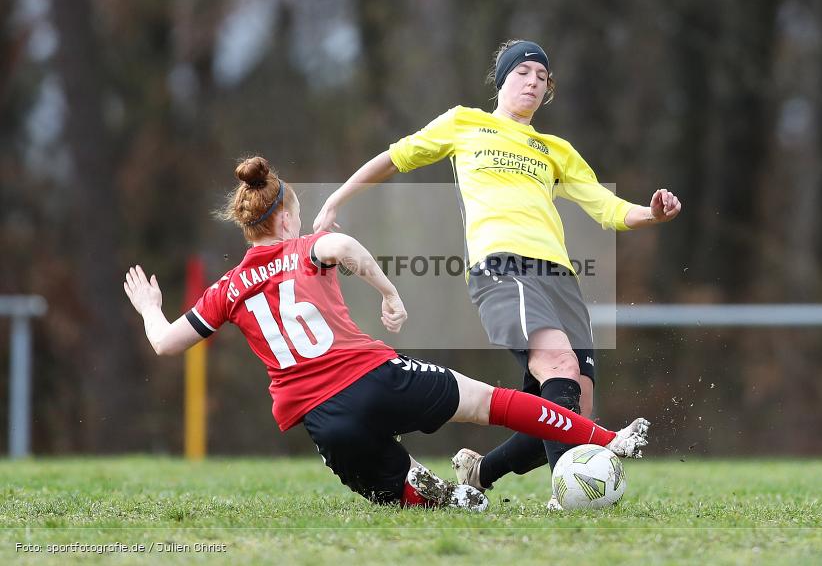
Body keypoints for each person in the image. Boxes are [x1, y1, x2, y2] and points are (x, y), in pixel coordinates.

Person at [124, 156, 650, 511]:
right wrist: (387, 293)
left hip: (324, 421)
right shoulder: (303, 246)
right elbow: (342, 248)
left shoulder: (229, 286)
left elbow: (166, 342)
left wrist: (150, 307)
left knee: (400, 494)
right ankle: (610, 439)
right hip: (374, 377)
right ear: (285, 216)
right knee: (494, 402)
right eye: (300, 213)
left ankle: (446, 496)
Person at [313, 39, 681, 507]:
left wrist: (652, 214)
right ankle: (568, 499)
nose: (533, 81)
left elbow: (607, 209)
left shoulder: (556, 150)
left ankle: (479, 471)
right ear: (503, 78)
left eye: (542, 77)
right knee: (559, 368)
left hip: (561, 279)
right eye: (523, 72)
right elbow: (394, 157)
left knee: (571, 413)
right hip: (503, 269)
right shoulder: (465, 123)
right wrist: (335, 199)